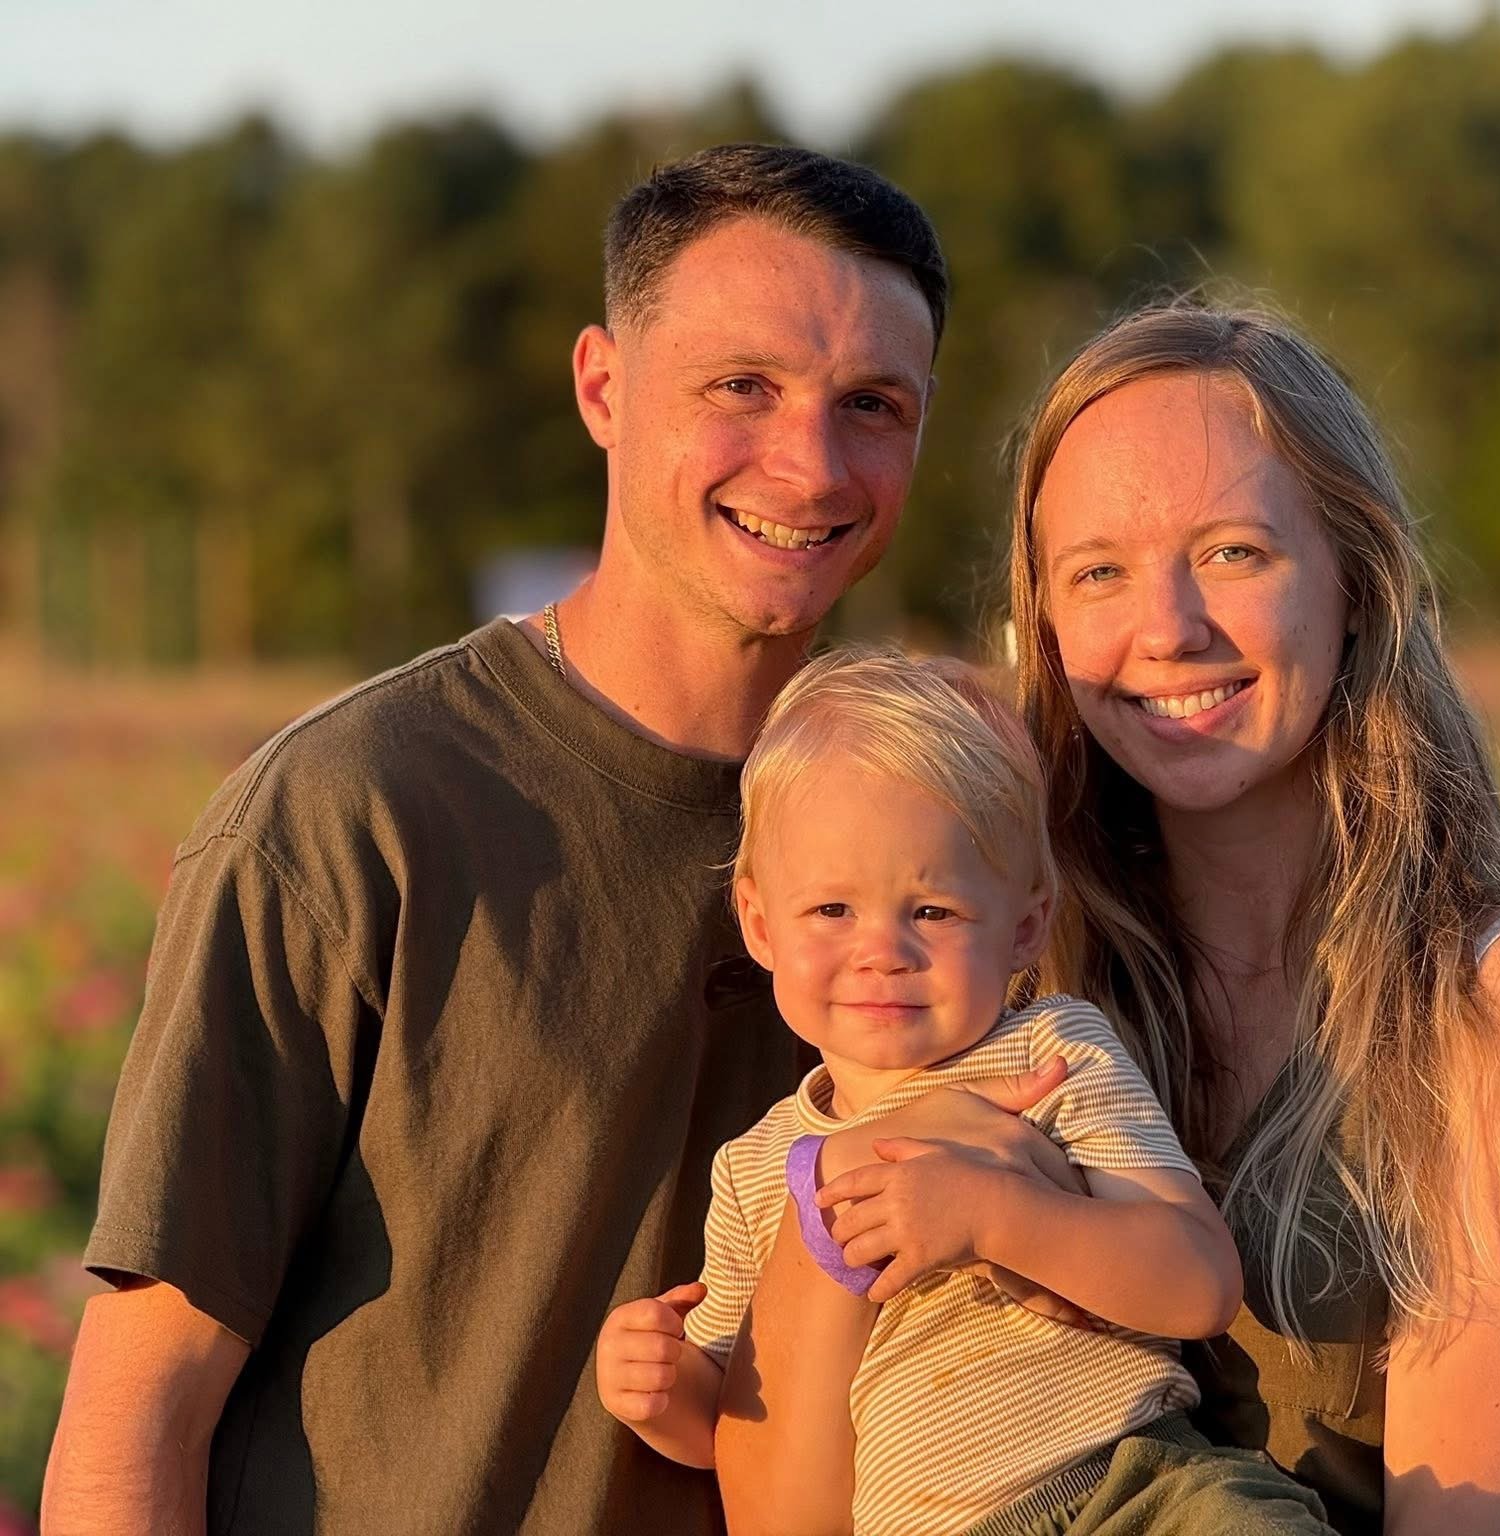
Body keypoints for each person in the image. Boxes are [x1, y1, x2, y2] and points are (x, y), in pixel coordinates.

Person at [41, 144, 962, 1535]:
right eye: (743, 388)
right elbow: (139, 1409)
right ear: (602, 385)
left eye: (872, 406)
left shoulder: (948, 831)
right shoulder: (352, 814)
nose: (811, 463)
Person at [1003, 302, 1500, 1532]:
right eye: (1097, 570)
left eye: (1232, 553)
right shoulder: (1000, 964)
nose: (1166, 629)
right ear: (1045, 625)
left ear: (1356, 585)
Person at [594, 649, 1337, 1535]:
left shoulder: (1053, 1059)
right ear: (759, 923)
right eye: (833, 911)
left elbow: (1198, 1282)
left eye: (933, 912)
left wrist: (997, 1217)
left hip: (1133, 1487)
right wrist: (660, 1391)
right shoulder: (758, 1169)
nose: (883, 951)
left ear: (1025, 928)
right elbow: (742, 1420)